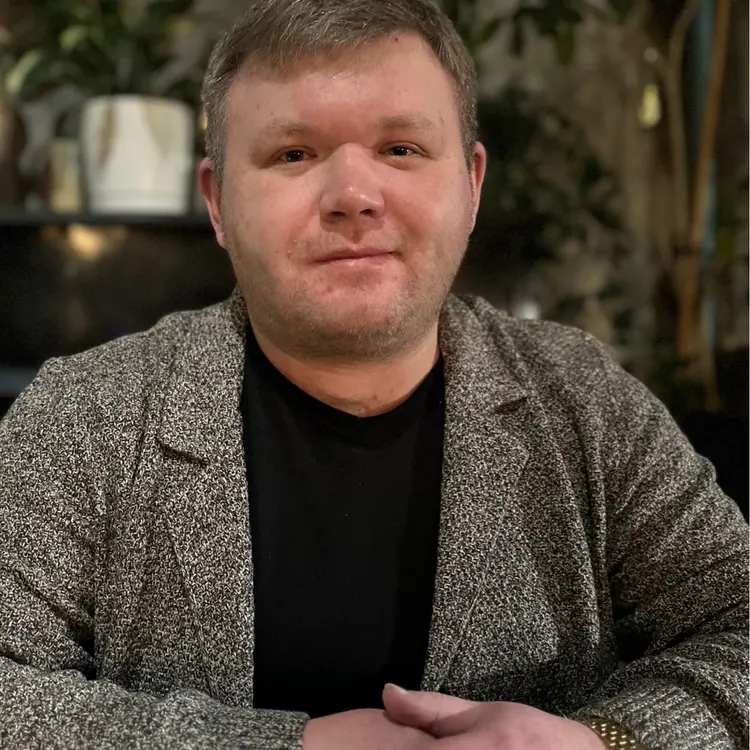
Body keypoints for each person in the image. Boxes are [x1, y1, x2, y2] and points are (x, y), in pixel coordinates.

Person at [0, 0, 747, 747]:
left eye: (401, 149)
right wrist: (292, 747)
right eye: (293, 154)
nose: (353, 197)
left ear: (471, 185)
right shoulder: (86, 414)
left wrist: (599, 741)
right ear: (219, 202)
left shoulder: (584, 400)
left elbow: (737, 625)